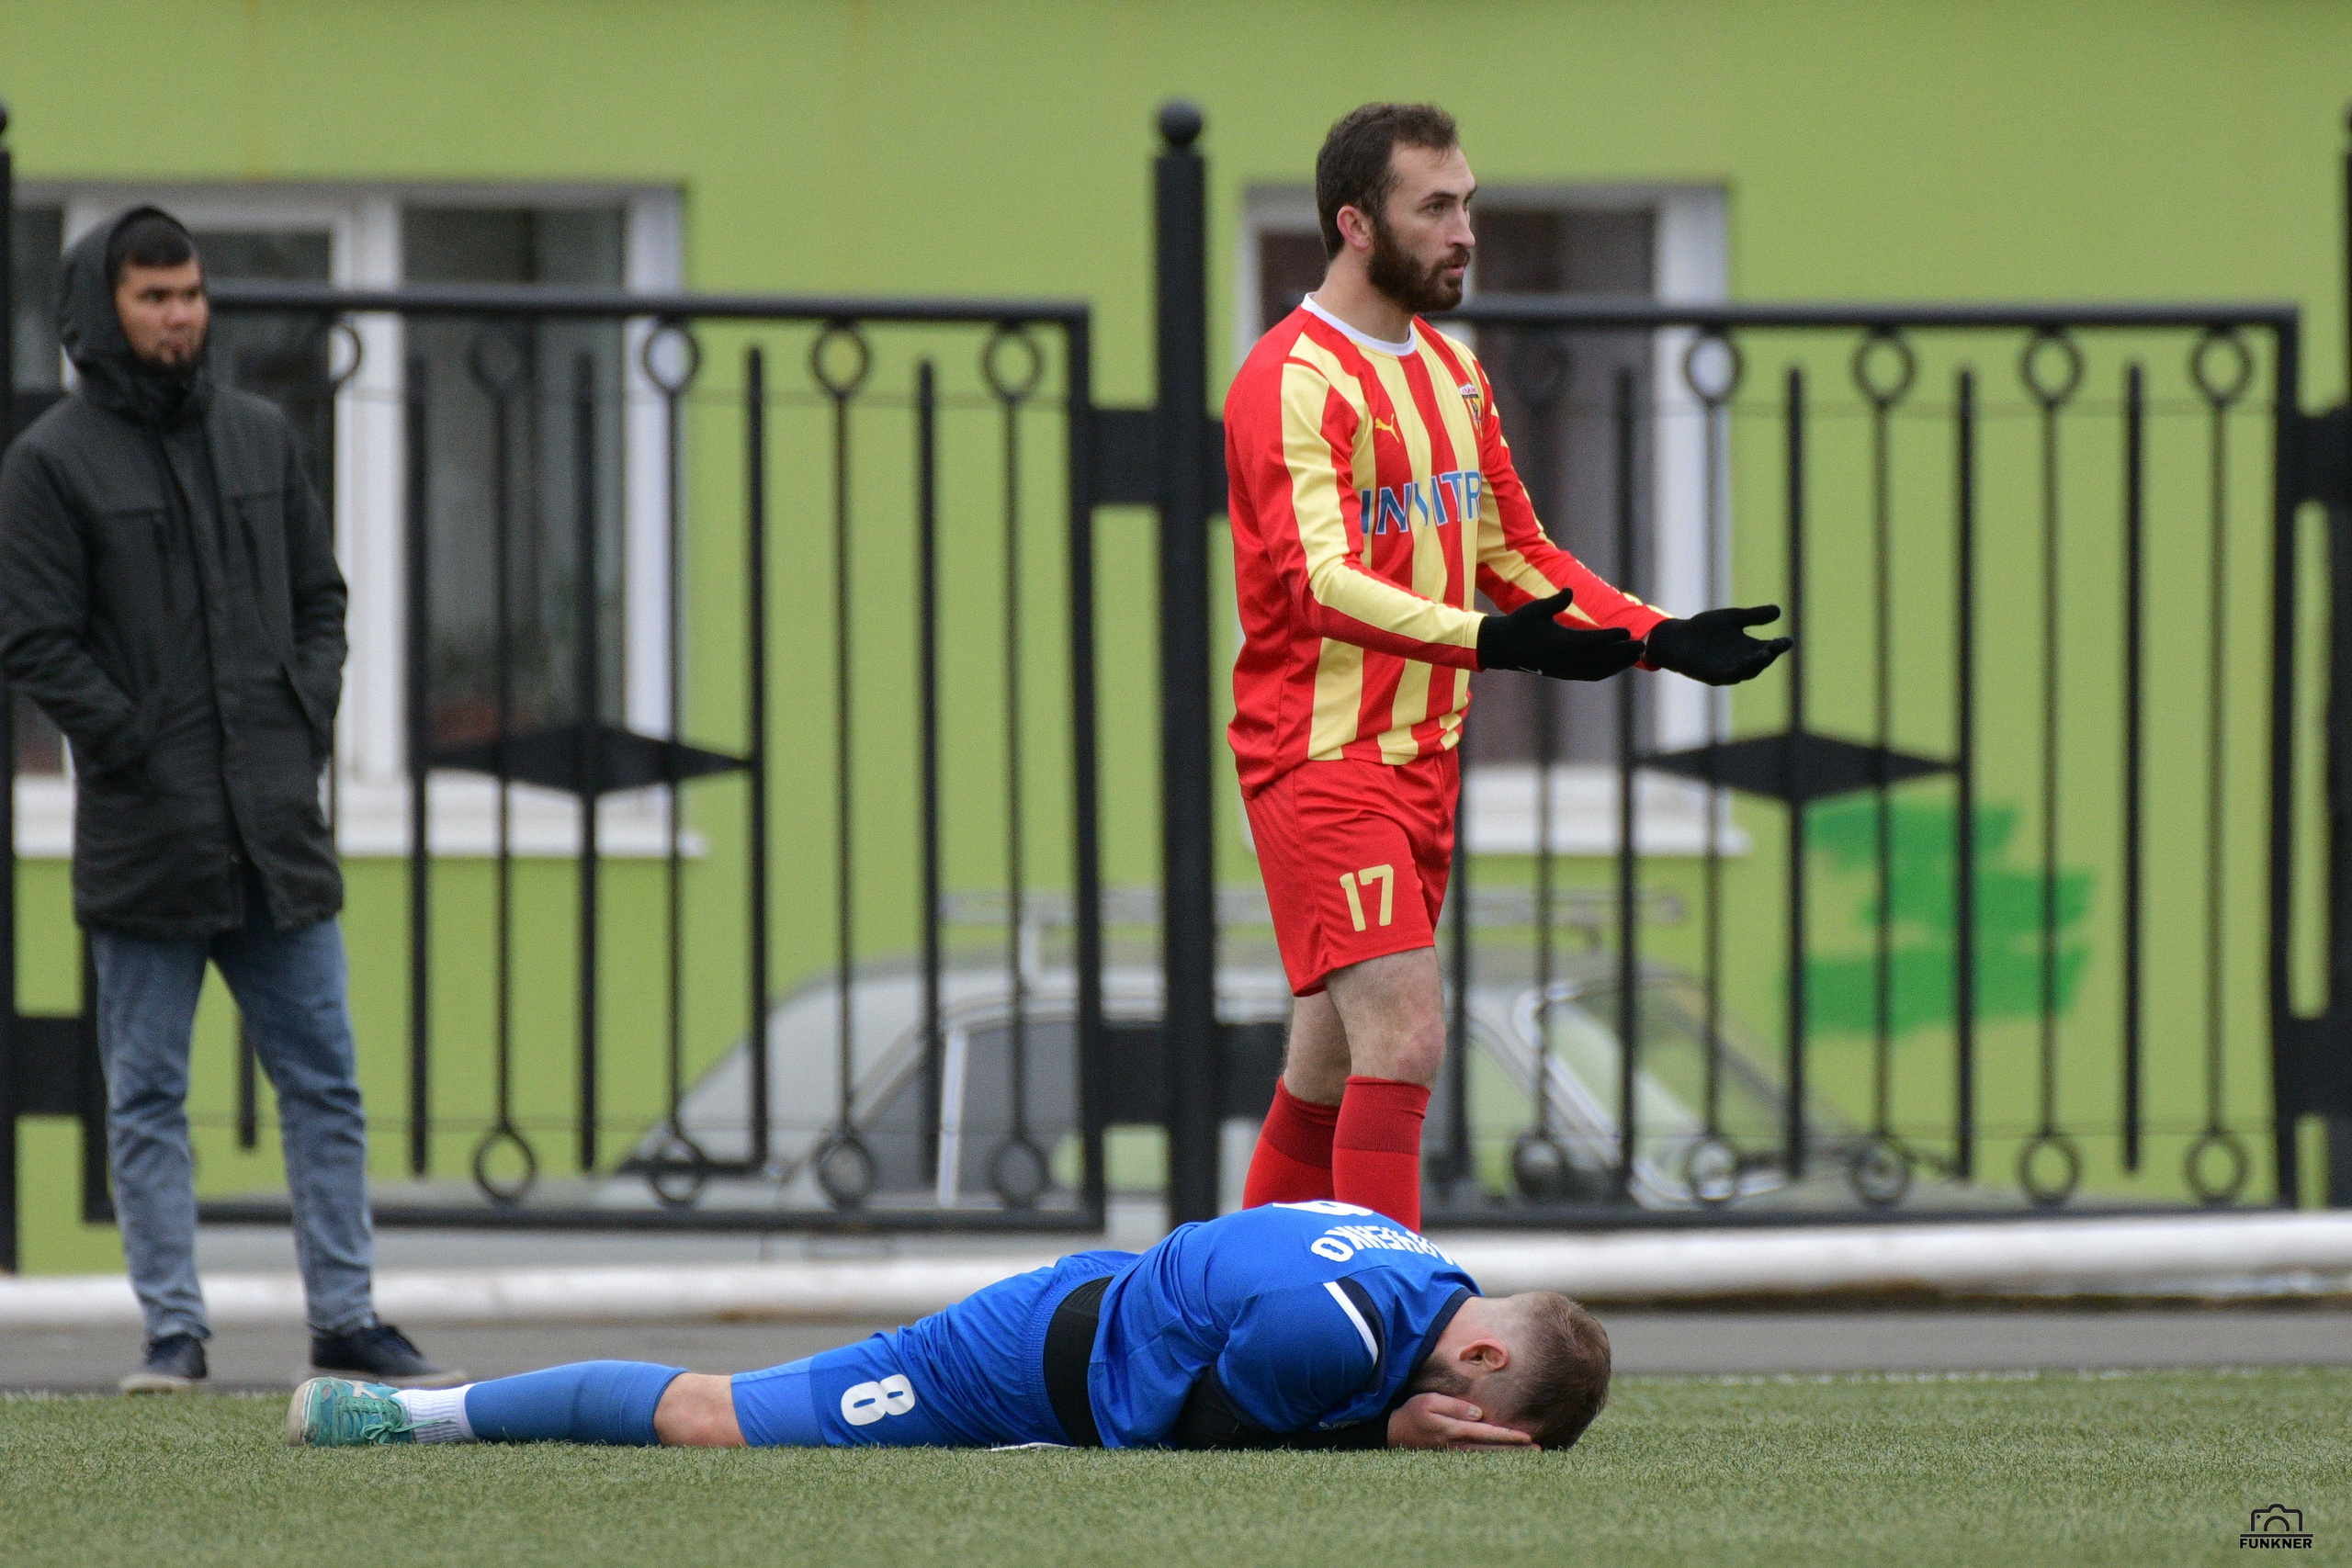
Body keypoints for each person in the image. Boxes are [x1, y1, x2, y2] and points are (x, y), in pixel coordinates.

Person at [1226, 105, 1791, 1229]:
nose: (1464, 230)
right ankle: (1402, 1336)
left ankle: (1223, 1329)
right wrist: (1492, 640)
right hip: (1324, 762)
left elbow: (1512, 554)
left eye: (1467, 203)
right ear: (1355, 224)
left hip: (1424, 769)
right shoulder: (1289, 379)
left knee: (1326, 1078)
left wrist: (1657, 637)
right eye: (1434, 207)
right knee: (1411, 1035)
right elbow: (1317, 583)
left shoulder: (1454, 372)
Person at [0, 208, 458, 1393]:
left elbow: (323, 600)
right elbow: (34, 642)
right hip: (146, 840)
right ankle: (173, 1334)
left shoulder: (261, 437)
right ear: (104, 312)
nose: (180, 316)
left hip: (275, 837)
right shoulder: (50, 463)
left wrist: (305, 713)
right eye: (155, 298)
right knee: (148, 1094)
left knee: (326, 1079)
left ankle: (346, 1318)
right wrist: (133, 741)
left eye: (192, 293)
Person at [286, 1201, 1608, 1453]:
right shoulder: (1334, 1331)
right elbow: (1214, 1439)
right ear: (1482, 1356)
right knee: (719, 1418)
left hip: (1103, 1313)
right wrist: (1383, 1434)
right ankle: (397, 1413)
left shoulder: (1423, 1264)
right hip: (1028, 1358)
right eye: (1482, 1423)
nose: (1462, 1433)